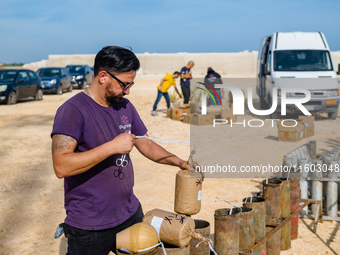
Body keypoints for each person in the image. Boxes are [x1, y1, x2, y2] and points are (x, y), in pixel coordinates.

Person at [51, 46, 192, 255]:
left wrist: (180, 163)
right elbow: (61, 166)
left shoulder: (124, 106)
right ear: (103, 77)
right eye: (125, 84)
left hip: (129, 214)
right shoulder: (72, 111)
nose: (128, 91)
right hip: (89, 226)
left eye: (131, 84)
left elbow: (146, 144)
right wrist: (112, 147)